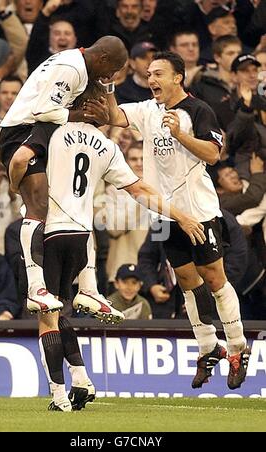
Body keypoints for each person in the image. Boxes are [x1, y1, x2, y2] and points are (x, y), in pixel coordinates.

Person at [38, 80, 205, 411]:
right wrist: (181, 216)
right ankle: (82, 380)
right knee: (61, 310)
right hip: (83, 238)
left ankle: (58, 396)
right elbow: (141, 191)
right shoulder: (106, 146)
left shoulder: (51, 132)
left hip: (48, 230)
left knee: (46, 315)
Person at [95, 50, 251, 390]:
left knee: (214, 279)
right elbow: (113, 116)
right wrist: (108, 87)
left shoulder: (198, 110)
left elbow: (213, 154)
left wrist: (180, 135)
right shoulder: (147, 110)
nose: (151, 79)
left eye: (159, 74)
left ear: (177, 77)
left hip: (198, 210)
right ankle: (209, 347)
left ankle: (238, 347)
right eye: (149, 74)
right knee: (186, 281)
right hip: (165, 212)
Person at [0, 36, 129, 314]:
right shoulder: (71, 68)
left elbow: (115, 116)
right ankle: (36, 289)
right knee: (39, 207)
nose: (111, 76)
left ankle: (89, 289)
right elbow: (43, 111)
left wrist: (108, 85)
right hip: (23, 130)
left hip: (46, 130)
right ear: (102, 58)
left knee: (76, 207)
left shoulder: (83, 67)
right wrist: (79, 114)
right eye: (112, 70)